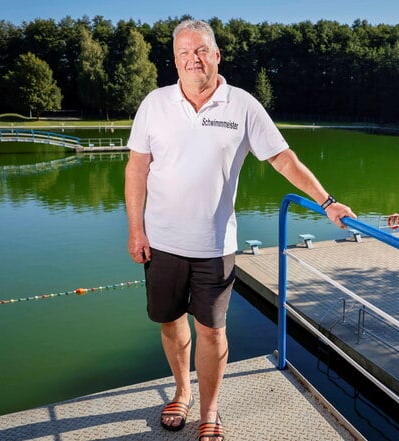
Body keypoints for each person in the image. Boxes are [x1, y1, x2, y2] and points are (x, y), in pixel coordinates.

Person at [124, 19, 356, 440]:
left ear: (216, 55)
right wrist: (135, 231)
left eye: (200, 51)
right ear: (174, 61)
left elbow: (283, 159)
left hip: (215, 245)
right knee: (171, 321)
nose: (192, 59)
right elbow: (136, 168)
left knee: (212, 330)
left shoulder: (243, 105)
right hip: (160, 243)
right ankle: (181, 392)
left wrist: (326, 201)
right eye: (183, 53)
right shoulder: (154, 104)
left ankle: (210, 410)